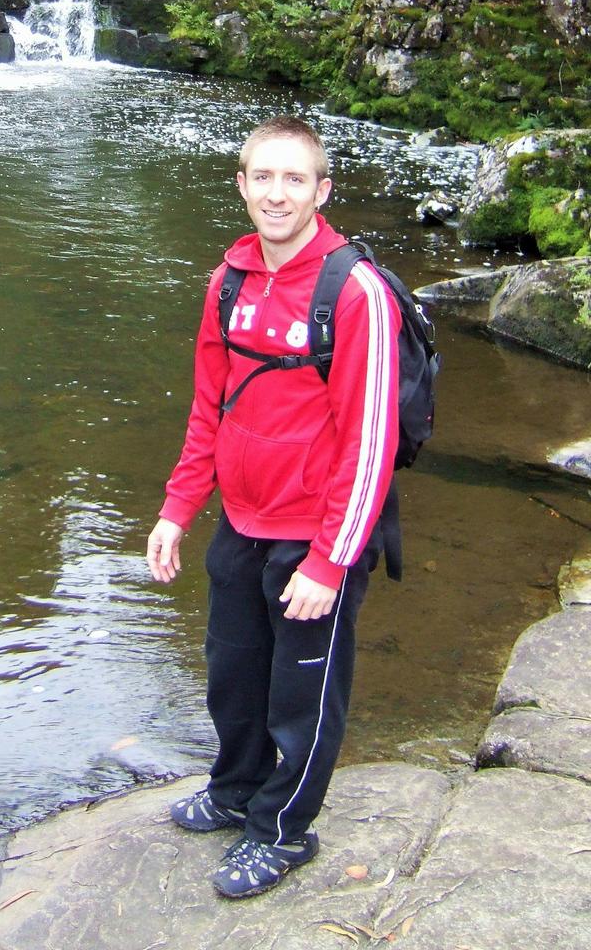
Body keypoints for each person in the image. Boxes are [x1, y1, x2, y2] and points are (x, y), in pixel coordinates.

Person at [146, 114, 399, 901]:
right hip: (241, 525)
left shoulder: (353, 292)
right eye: (264, 177)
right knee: (232, 674)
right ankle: (233, 790)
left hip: (313, 538)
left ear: (322, 191)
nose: (277, 194)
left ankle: (281, 830)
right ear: (242, 185)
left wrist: (330, 562)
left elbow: (371, 443)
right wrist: (177, 509)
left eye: (295, 179)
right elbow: (208, 408)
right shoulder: (227, 282)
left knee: (301, 699)